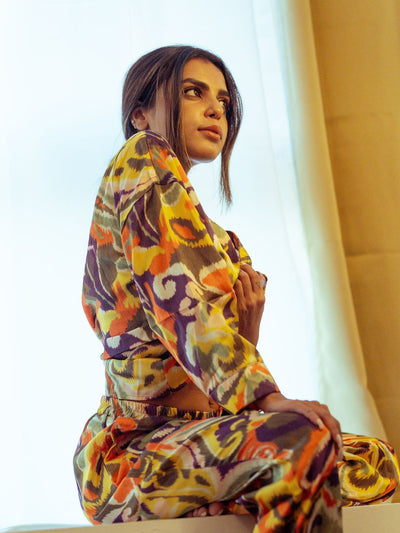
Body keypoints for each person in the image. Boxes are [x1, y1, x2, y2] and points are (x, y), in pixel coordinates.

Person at [73, 45, 399, 532]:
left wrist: (248, 332)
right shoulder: (143, 157)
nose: (215, 110)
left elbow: (212, 368)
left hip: (205, 436)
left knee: (374, 463)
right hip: (135, 453)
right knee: (302, 439)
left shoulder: (224, 243)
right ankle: (237, 492)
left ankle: (231, 499)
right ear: (140, 114)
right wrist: (269, 400)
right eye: (193, 92)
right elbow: (184, 312)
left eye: (223, 101)